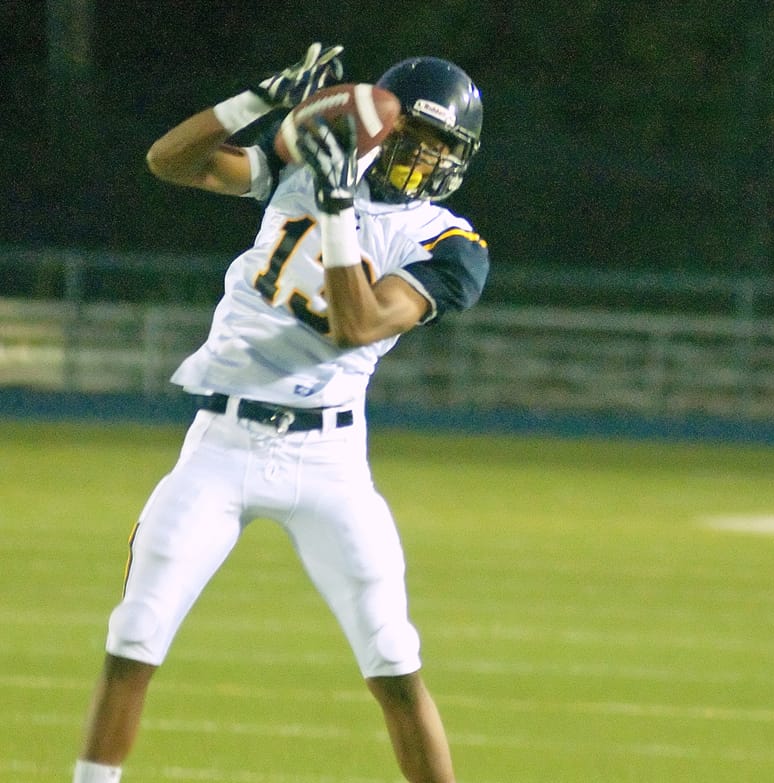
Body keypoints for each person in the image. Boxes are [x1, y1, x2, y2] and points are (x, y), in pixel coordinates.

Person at [72, 43, 487, 783]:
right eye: (413, 137)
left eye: (439, 146)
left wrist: (333, 211)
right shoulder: (311, 166)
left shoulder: (448, 242)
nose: (422, 157)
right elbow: (173, 162)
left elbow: (356, 324)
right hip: (221, 444)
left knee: (393, 657)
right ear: (383, 130)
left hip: (329, 463)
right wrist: (257, 101)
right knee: (134, 631)